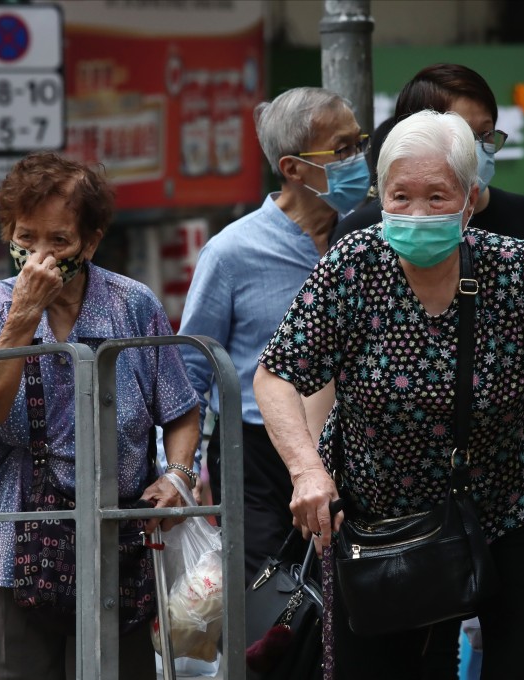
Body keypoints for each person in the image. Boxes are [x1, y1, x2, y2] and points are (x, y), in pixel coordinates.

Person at [254, 110, 524, 680]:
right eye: (401, 197)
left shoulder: (516, 266)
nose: (418, 215)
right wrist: (306, 471)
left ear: (471, 200)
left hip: (506, 507)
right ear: (381, 196)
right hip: (380, 522)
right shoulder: (353, 266)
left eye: (438, 197)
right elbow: (275, 373)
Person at [0, 152, 200, 680]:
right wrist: (23, 316)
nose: (41, 257)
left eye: (59, 242)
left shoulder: (131, 304)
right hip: (9, 548)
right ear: (8, 235)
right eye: (26, 239)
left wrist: (178, 475)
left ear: (90, 242)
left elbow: (181, 410)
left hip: (114, 546)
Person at [177, 87, 369, 581]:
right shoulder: (232, 253)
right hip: (258, 459)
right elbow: (190, 372)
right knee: (269, 605)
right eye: (342, 149)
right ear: (293, 168)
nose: (358, 160)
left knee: (352, 601)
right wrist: (181, 470)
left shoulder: (369, 239)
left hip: (359, 449)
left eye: (359, 144)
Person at [330, 63, 524, 260]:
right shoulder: (360, 235)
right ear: (415, 132)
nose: (477, 149)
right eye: (462, 134)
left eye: (487, 134)